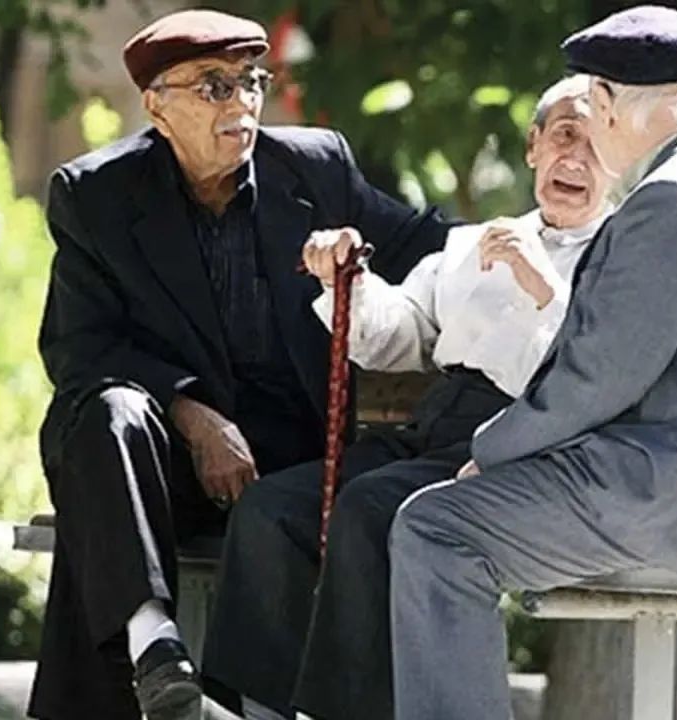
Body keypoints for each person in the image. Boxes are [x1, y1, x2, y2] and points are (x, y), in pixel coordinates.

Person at [27, 8, 455, 720]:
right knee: (107, 412)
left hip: (287, 466)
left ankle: (205, 703)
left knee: (237, 514)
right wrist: (193, 417)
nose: (242, 103)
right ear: (157, 106)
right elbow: (79, 349)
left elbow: (427, 243)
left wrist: (533, 243)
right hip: (160, 465)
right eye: (214, 87)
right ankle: (154, 648)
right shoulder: (96, 194)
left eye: (251, 82)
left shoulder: (314, 168)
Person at [386, 6, 677, 719]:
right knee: (434, 520)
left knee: (435, 530)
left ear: (606, 102)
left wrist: (491, 453)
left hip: (660, 497)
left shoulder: (676, 199)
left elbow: (598, 376)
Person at [200, 75, 612, 720]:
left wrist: (543, 289)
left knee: (370, 509)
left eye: (596, 145)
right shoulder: (473, 243)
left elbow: (600, 373)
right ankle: (251, 709)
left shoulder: (622, 259)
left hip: (516, 448)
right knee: (272, 509)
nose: (576, 158)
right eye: (563, 135)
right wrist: (348, 281)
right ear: (533, 146)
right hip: (430, 429)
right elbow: (398, 337)